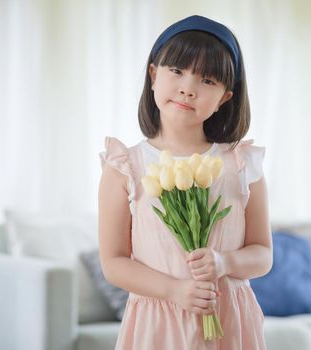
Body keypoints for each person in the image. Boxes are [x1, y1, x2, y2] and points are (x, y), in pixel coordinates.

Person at [98, 15, 271, 349]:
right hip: (158, 325)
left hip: (228, 323)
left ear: (225, 97)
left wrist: (225, 263)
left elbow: (263, 255)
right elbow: (114, 262)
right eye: (177, 71)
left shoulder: (242, 164)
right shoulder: (125, 167)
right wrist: (173, 290)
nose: (188, 88)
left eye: (207, 80)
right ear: (153, 75)